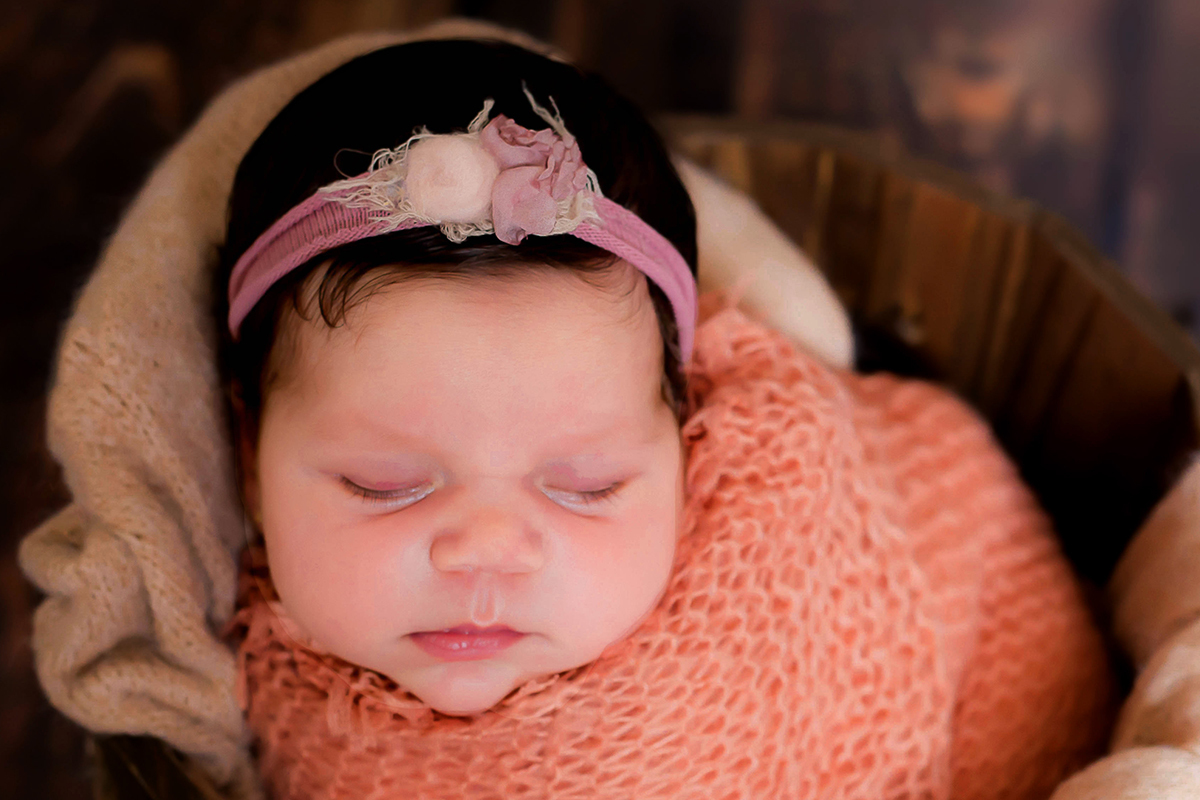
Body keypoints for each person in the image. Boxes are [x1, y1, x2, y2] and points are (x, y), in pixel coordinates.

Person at [22, 26, 1115, 800]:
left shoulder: (774, 530)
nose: (486, 547)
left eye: (585, 483)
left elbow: (950, 570)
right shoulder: (239, 672)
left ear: (686, 438)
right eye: (383, 482)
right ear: (250, 442)